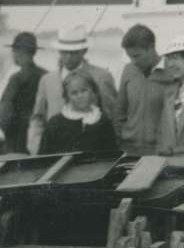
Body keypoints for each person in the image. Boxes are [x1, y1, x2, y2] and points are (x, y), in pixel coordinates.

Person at [28, 25, 119, 154]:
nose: (69, 57)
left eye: (74, 52)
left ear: (84, 50)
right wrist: (37, 148)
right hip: (54, 152)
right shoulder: (47, 80)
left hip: (92, 152)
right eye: (64, 52)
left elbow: (112, 116)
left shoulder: (102, 76)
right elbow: (38, 118)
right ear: (59, 51)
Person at [115, 24, 173, 155]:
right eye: (129, 56)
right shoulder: (128, 70)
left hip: (159, 151)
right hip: (128, 149)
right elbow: (119, 110)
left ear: (151, 48)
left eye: (136, 56)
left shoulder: (172, 73)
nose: (133, 61)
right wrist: (122, 137)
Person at [38, 73, 119, 154]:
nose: (80, 96)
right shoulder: (55, 123)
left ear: (93, 91)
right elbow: (44, 157)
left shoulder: (103, 121)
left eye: (84, 90)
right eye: (74, 93)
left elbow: (112, 155)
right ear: (67, 96)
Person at [0, 32, 47, 154]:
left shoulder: (16, 78)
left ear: (18, 52)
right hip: (40, 131)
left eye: (14, 51)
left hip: (17, 134)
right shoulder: (46, 75)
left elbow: (5, 110)